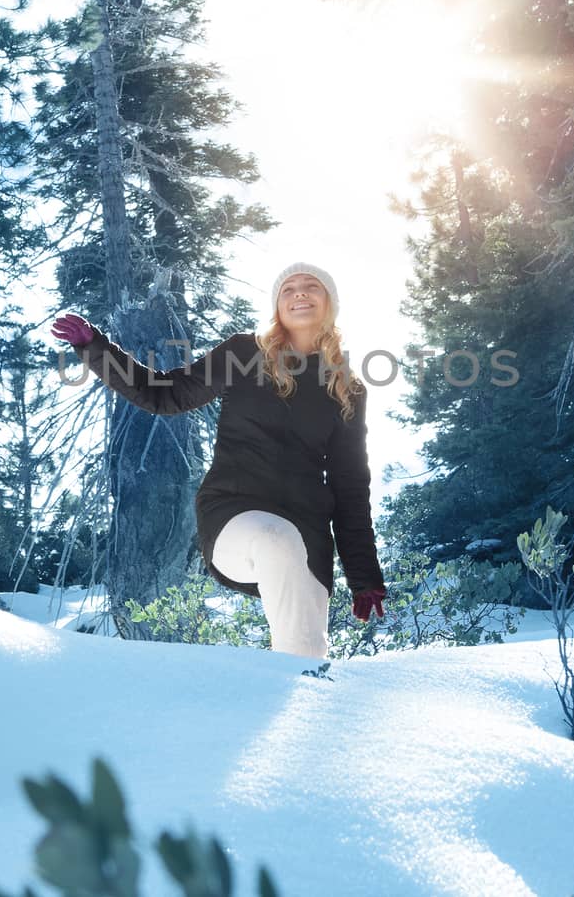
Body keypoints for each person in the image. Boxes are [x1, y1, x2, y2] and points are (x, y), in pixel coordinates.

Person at [51, 262, 387, 659]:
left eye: (311, 286)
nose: (300, 293)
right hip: (236, 515)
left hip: (309, 536)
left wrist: (363, 575)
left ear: (329, 303)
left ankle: (306, 715)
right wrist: (96, 349)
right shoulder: (245, 353)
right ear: (277, 306)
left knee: (308, 652)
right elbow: (165, 394)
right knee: (275, 538)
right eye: (288, 288)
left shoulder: (347, 386)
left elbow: (350, 485)